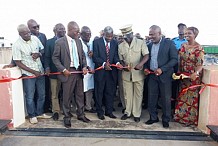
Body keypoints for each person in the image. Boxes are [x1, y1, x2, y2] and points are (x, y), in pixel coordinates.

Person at [52, 21, 90, 128]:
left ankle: (81, 114)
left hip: (78, 72)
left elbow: (82, 56)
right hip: (67, 73)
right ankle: (67, 117)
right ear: (69, 30)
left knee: (80, 95)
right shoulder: (60, 42)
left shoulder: (78, 41)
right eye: (76, 31)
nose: (78, 33)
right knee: (67, 96)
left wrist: (84, 67)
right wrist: (63, 69)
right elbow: (55, 58)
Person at [12, 24, 51, 124]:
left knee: (42, 94)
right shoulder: (16, 45)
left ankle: (39, 113)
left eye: (29, 32)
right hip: (28, 74)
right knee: (30, 96)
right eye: (25, 34)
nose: (28, 35)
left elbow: (42, 49)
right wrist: (33, 72)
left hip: (40, 71)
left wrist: (39, 54)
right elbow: (18, 62)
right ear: (20, 34)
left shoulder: (35, 39)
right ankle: (32, 115)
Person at [144, 25, 178, 128]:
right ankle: (153, 117)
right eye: (150, 34)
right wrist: (145, 68)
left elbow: (174, 59)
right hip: (152, 76)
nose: (151, 37)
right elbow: (146, 58)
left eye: (153, 34)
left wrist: (162, 69)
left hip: (165, 76)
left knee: (165, 98)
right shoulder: (149, 45)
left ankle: (166, 119)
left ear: (159, 33)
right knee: (152, 97)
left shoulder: (169, 44)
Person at [118, 24, 149, 122]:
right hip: (126, 74)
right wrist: (123, 66)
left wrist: (141, 64)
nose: (126, 39)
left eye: (128, 36)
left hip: (138, 74)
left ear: (131, 34)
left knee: (138, 94)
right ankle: (127, 112)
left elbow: (146, 55)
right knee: (127, 95)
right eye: (124, 37)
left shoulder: (141, 42)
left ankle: (136, 114)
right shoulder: (121, 46)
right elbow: (121, 59)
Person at [174, 27, 204, 126]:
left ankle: (190, 120)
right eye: (186, 33)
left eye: (189, 33)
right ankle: (180, 117)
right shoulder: (183, 45)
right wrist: (178, 72)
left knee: (191, 99)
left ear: (195, 35)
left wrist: (195, 74)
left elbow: (200, 64)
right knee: (182, 96)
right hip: (183, 75)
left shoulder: (198, 48)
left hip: (192, 76)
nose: (186, 35)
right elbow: (179, 59)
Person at [93, 26, 122, 120]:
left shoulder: (114, 43)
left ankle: (109, 112)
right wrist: (104, 64)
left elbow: (116, 56)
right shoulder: (96, 42)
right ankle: (99, 112)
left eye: (111, 36)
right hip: (100, 72)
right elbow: (95, 57)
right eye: (107, 36)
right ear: (103, 34)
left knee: (110, 93)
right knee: (99, 92)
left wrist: (117, 63)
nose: (109, 38)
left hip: (111, 72)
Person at [44, 23, 66, 121]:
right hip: (53, 72)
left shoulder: (67, 41)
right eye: (61, 29)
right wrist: (47, 67)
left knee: (66, 92)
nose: (63, 31)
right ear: (55, 30)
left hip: (65, 72)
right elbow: (47, 57)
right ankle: (56, 111)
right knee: (54, 93)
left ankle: (66, 110)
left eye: (64, 29)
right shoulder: (49, 42)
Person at [171, 23, 188, 110]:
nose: (181, 30)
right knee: (173, 85)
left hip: (184, 66)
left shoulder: (188, 41)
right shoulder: (173, 40)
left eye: (183, 28)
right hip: (174, 66)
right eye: (179, 28)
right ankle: (172, 106)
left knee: (183, 86)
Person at [80, 26, 96, 113]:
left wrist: (93, 54)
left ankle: (88, 106)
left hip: (91, 70)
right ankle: (80, 108)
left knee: (89, 89)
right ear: (81, 34)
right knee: (81, 90)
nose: (88, 36)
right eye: (86, 35)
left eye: (90, 34)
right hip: (83, 70)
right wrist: (86, 67)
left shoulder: (92, 43)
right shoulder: (78, 43)